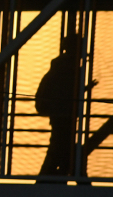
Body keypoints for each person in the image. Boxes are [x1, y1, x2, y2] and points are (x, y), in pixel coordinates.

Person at [36, 33, 96, 179]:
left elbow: (64, 90)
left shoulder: (62, 65)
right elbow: (66, 91)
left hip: (60, 111)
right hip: (63, 112)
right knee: (60, 146)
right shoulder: (68, 67)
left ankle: (55, 177)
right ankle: (65, 176)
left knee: (60, 146)